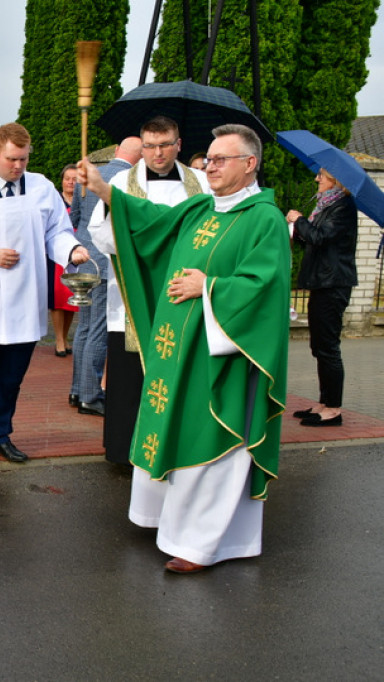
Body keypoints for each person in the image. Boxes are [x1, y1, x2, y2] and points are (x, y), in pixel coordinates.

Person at [78, 123, 291, 573]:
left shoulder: (263, 219)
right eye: (208, 158)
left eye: (220, 159)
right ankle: (166, 521)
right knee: (171, 425)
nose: (209, 166)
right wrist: (104, 190)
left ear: (249, 164)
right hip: (178, 351)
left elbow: (264, 287)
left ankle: (202, 545)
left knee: (211, 438)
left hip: (221, 358)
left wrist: (208, 286)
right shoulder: (200, 207)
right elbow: (152, 224)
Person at [0, 123, 87, 464]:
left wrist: (72, 250)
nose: (19, 166)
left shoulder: (40, 188)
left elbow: (57, 231)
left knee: (11, 378)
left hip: (25, 297)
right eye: (11, 159)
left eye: (23, 159)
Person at [90, 116, 211, 464]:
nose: (157, 153)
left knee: (179, 373)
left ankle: (177, 448)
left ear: (178, 144)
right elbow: (100, 232)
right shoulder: (121, 184)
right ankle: (126, 452)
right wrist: (146, 244)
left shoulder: (200, 184)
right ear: (141, 147)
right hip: (133, 293)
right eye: (149, 146)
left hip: (182, 291)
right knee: (130, 380)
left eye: (164, 145)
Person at [68, 137, 142, 418]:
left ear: (116, 151)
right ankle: (90, 395)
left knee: (85, 327)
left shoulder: (90, 175)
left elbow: (74, 217)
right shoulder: (128, 179)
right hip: (104, 260)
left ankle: (77, 389)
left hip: (82, 256)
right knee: (98, 328)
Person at [286, 168, 358, 427]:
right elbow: (313, 241)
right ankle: (324, 402)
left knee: (328, 348)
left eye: (322, 176)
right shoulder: (327, 205)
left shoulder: (343, 207)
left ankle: (333, 409)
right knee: (319, 346)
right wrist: (296, 228)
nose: (317, 179)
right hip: (322, 283)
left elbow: (320, 236)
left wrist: (301, 219)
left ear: (337, 181)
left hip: (333, 285)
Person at [48, 163, 80, 356]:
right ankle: (58, 339)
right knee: (58, 298)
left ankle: (66, 337)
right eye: (67, 179)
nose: (70, 182)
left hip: (76, 255)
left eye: (75, 179)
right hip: (57, 256)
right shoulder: (56, 200)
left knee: (71, 299)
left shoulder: (82, 200)